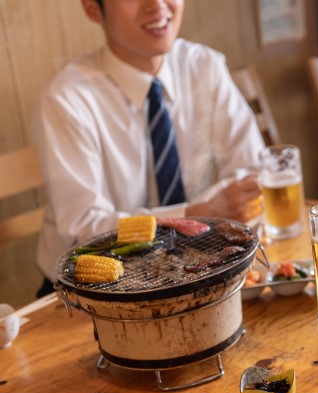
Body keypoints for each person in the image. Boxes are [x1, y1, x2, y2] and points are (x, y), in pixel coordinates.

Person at [33, 0, 265, 297]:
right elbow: (83, 227)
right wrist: (194, 214)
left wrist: (233, 201)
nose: (157, 5)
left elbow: (253, 171)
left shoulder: (203, 66)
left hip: (193, 272)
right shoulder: (67, 100)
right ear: (93, 9)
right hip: (88, 293)